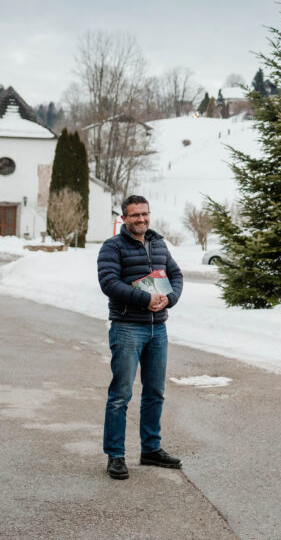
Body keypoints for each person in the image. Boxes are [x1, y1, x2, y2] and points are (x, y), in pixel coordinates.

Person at [98, 195, 184, 480]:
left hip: (158, 328)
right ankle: (115, 455)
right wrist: (144, 300)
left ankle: (150, 449)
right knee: (120, 395)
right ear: (124, 218)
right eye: (135, 215)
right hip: (127, 327)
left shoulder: (159, 243)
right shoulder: (113, 246)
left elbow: (176, 275)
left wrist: (169, 299)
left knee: (155, 392)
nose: (142, 219)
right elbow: (109, 283)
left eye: (145, 214)